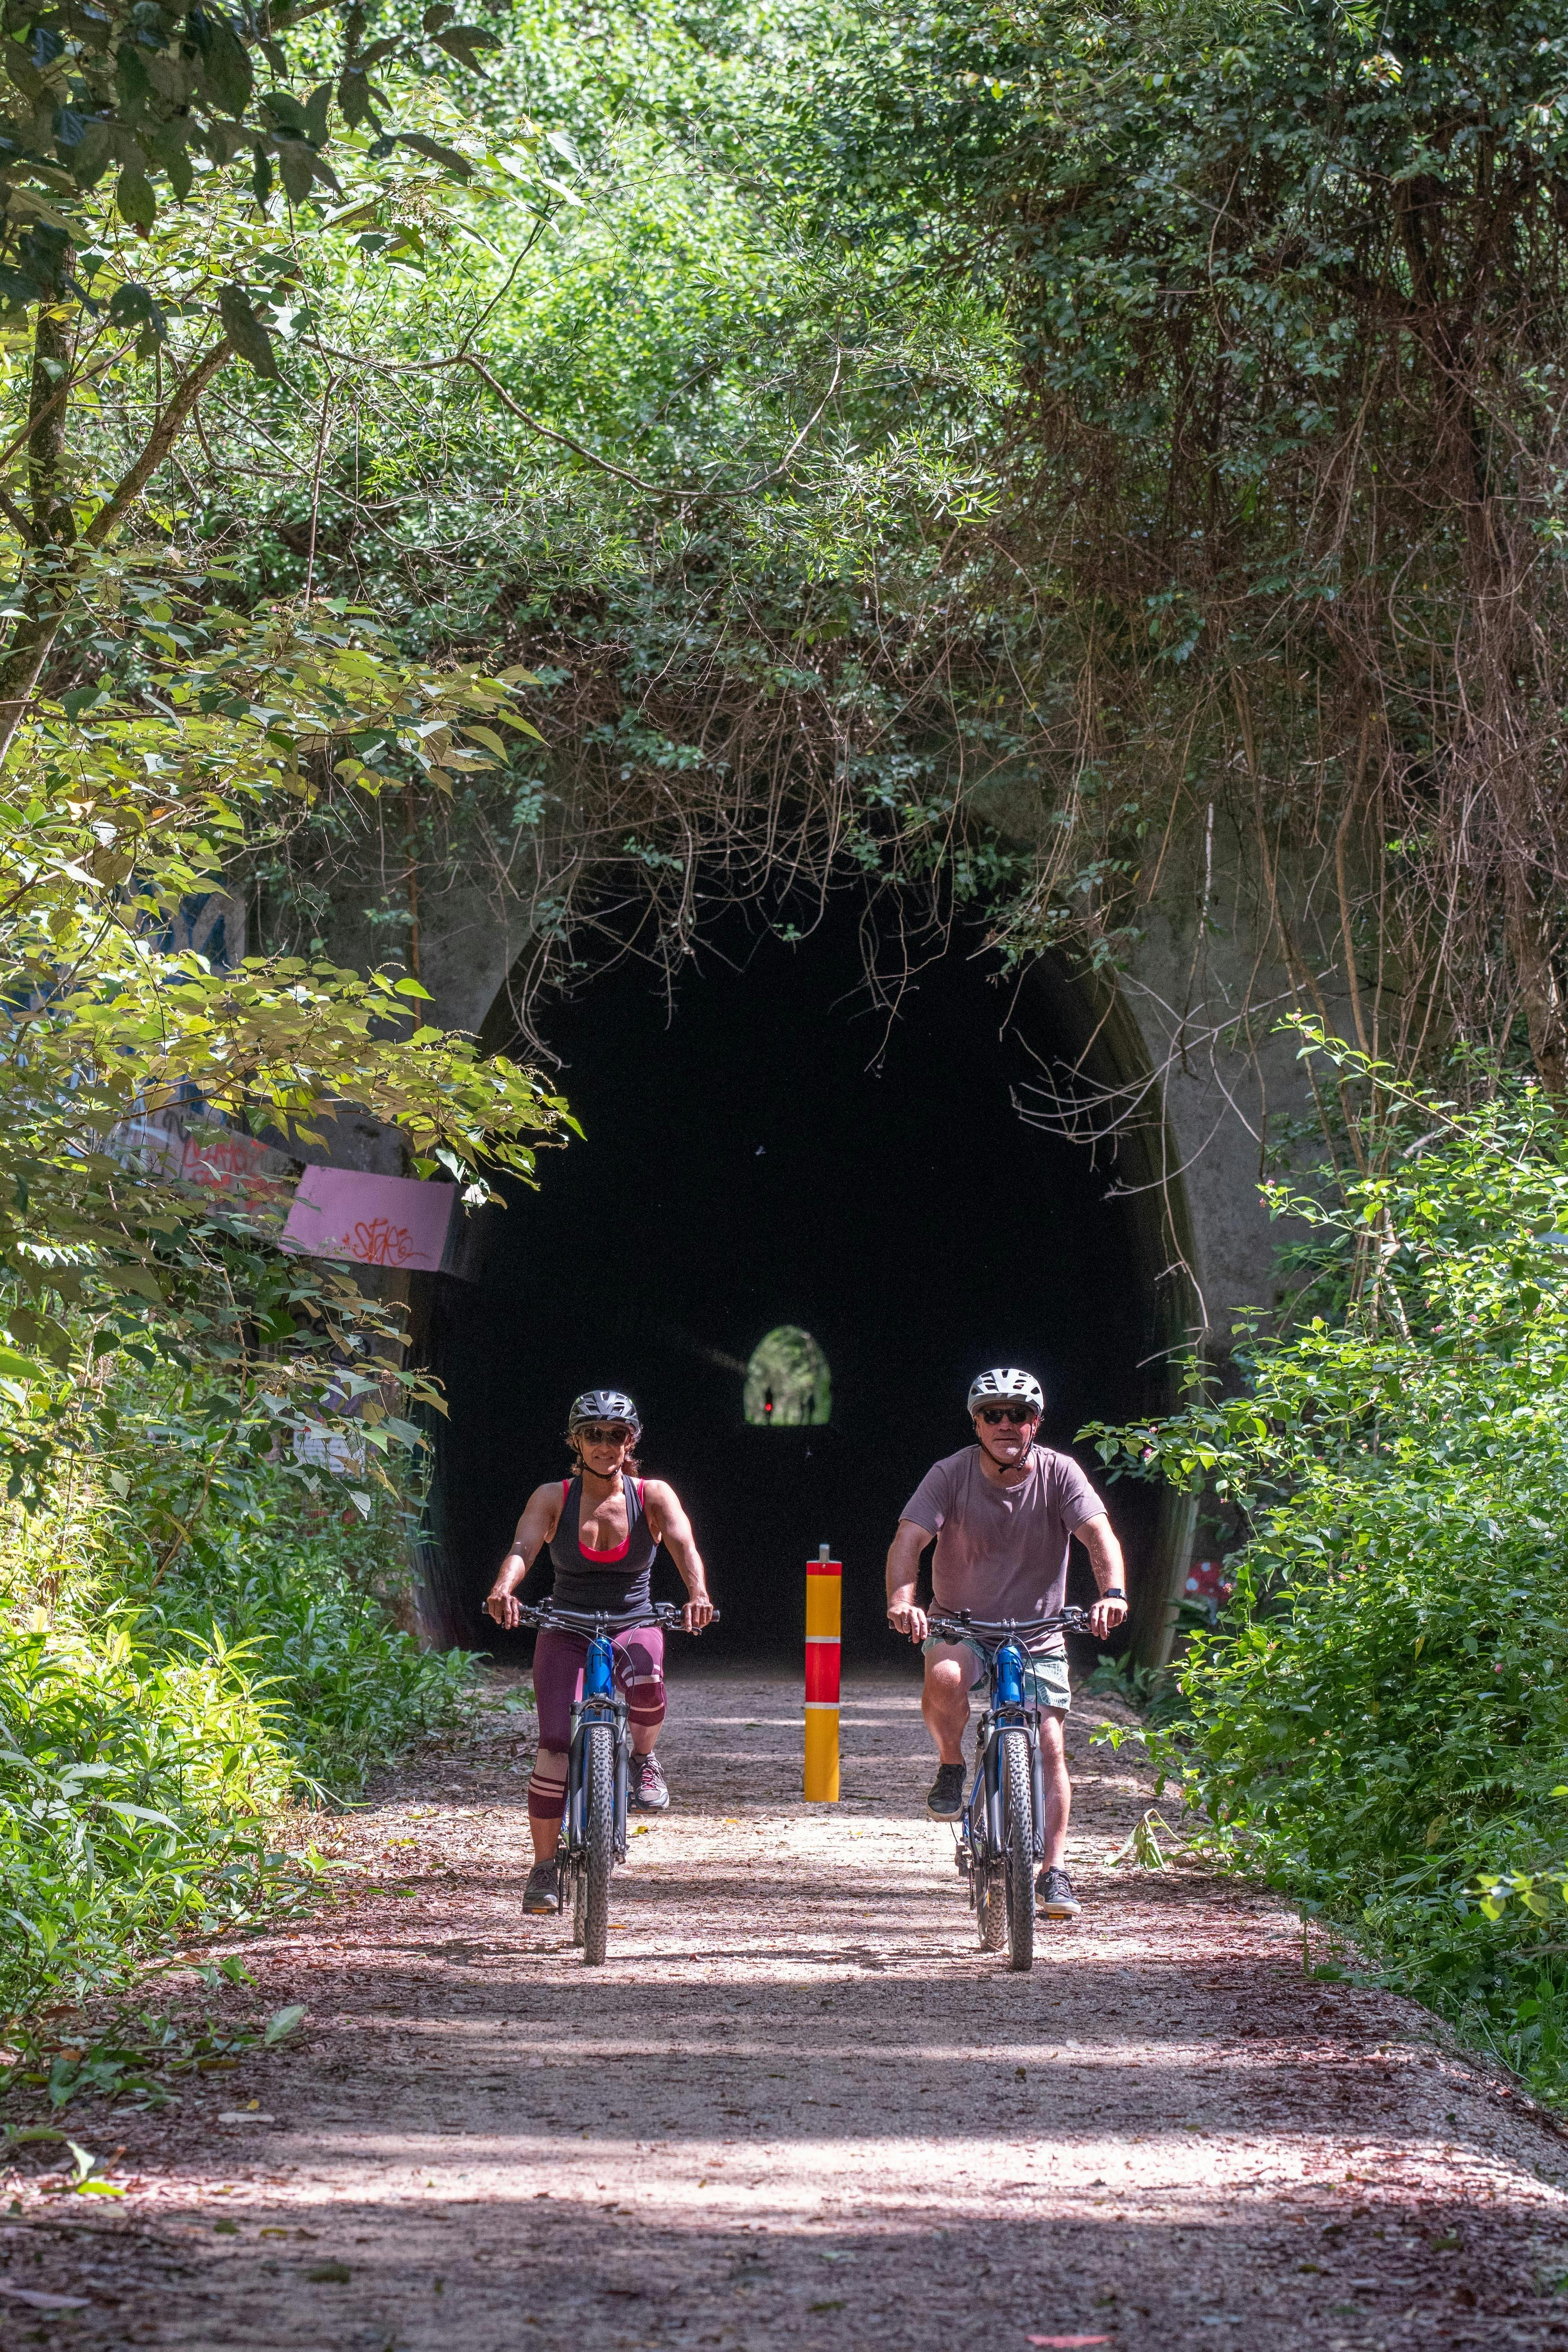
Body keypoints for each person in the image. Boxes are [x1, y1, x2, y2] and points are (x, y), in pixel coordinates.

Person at [884, 1367, 1128, 1921]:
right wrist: (903, 1600)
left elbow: (1098, 1535)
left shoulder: (1060, 1474)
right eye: (992, 1414)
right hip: (962, 1625)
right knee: (945, 1678)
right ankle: (951, 1765)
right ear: (976, 1423)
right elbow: (909, 1540)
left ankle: (1054, 1871)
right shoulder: (948, 1475)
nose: (1005, 1424)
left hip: (1038, 1630)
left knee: (1048, 1744)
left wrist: (1111, 1593)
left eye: (1017, 1414)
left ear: (1034, 1423)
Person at [484, 1389, 715, 1916]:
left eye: (616, 1435)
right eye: (593, 1434)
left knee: (649, 1685)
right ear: (576, 1441)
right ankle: (543, 1868)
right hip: (565, 1624)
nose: (604, 1445)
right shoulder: (554, 1497)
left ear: (630, 1441)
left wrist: (698, 1596)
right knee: (553, 1745)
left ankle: (642, 1757)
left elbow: (683, 1544)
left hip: (634, 1620)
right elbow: (524, 1548)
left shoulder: (651, 1495)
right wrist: (504, 1588)